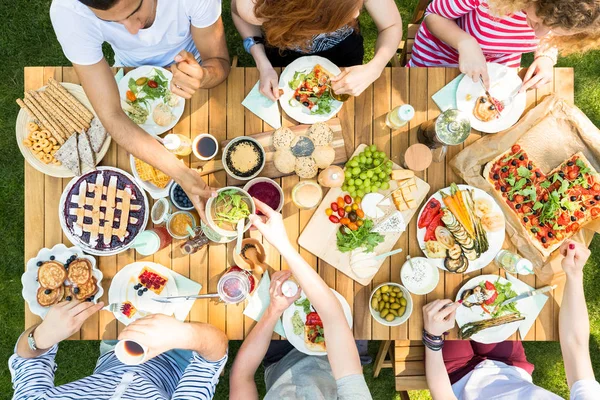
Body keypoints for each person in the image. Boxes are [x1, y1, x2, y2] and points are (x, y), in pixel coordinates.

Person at [49, 0, 232, 220]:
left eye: (135, 12)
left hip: (196, 63)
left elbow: (219, 61)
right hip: (128, 66)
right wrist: (182, 174)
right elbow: (110, 114)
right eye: (112, 22)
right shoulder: (69, 11)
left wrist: (203, 76)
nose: (132, 30)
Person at [229, 198, 372, 399]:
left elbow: (241, 376)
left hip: (279, 361)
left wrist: (273, 311)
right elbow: (333, 317)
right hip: (337, 365)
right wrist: (282, 245)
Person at [422, 239, 599, 399]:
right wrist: (574, 273)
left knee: (443, 298)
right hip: (510, 366)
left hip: (460, 375)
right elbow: (576, 346)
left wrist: (432, 338)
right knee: (470, 287)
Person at [9, 302, 228, 399]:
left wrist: (40, 338)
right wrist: (184, 335)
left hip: (117, 347)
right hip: (181, 361)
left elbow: (26, 361)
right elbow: (213, 357)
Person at [408, 0, 600, 91]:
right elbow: (433, 15)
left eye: (554, 31)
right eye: (536, 22)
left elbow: (546, 35)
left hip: (496, 66)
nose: (538, 34)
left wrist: (545, 56)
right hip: (438, 55)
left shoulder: (554, 23)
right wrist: (465, 42)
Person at [231, 0, 402, 100]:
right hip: (282, 51)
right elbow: (239, 15)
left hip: (344, 49)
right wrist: (263, 64)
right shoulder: (255, 5)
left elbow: (391, 26)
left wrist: (375, 68)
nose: (357, 13)